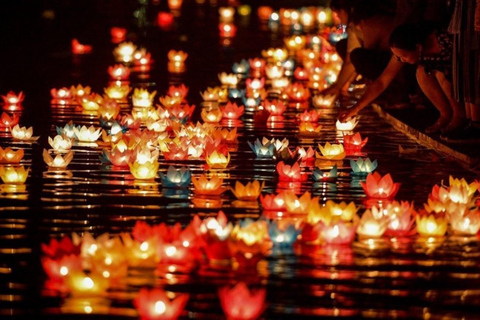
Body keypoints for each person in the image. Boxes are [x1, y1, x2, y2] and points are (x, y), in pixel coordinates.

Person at [339, 22, 466, 135]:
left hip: (463, 73)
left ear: (418, 48)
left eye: (403, 56)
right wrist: (355, 108)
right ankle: (445, 114)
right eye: (397, 57)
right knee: (421, 72)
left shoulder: (445, 42)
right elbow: (382, 81)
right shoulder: (405, 51)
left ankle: (458, 116)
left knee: (439, 73)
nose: (400, 60)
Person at [322, 0, 396, 97]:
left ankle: (385, 91)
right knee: (343, 46)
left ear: (344, 11)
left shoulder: (365, 23)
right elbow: (351, 60)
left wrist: (337, 86)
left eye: (337, 13)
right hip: (386, 58)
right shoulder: (358, 24)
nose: (338, 18)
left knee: (358, 55)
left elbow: (357, 59)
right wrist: (343, 84)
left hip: (393, 63)